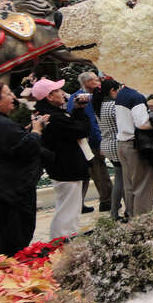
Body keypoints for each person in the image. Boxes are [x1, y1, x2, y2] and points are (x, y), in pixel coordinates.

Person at [0, 81, 51, 255]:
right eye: (8, 94)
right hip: (11, 193)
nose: (13, 97)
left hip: (1, 192)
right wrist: (36, 131)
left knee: (6, 239)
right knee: (14, 243)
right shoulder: (0, 124)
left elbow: (11, 144)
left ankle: (6, 273)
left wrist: (27, 131)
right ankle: (9, 276)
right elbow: (26, 149)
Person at [32, 77, 91, 240]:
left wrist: (77, 110)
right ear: (49, 97)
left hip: (63, 166)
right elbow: (81, 130)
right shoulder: (54, 116)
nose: (62, 93)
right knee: (68, 210)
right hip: (66, 167)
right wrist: (80, 112)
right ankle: (62, 242)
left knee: (68, 208)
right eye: (57, 90)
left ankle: (64, 240)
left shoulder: (50, 114)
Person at [67, 71, 112, 213]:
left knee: (87, 173)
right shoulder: (87, 98)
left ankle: (79, 204)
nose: (99, 81)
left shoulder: (74, 97)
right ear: (87, 83)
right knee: (99, 171)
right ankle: (107, 201)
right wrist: (99, 142)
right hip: (89, 140)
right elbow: (92, 122)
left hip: (81, 140)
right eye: (95, 79)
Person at [115, 83, 153, 217]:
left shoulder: (121, 93)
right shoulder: (136, 97)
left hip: (122, 143)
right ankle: (142, 220)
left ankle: (131, 215)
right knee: (142, 185)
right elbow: (142, 123)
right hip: (134, 145)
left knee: (129, 185)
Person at [92, 78, 125, 221]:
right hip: (116, 144)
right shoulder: (113, 105)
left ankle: (117, 211)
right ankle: (116, 211)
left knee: (120, 177)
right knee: (121, 179)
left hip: (106, 144)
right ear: (112, 91)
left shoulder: (99, 106)